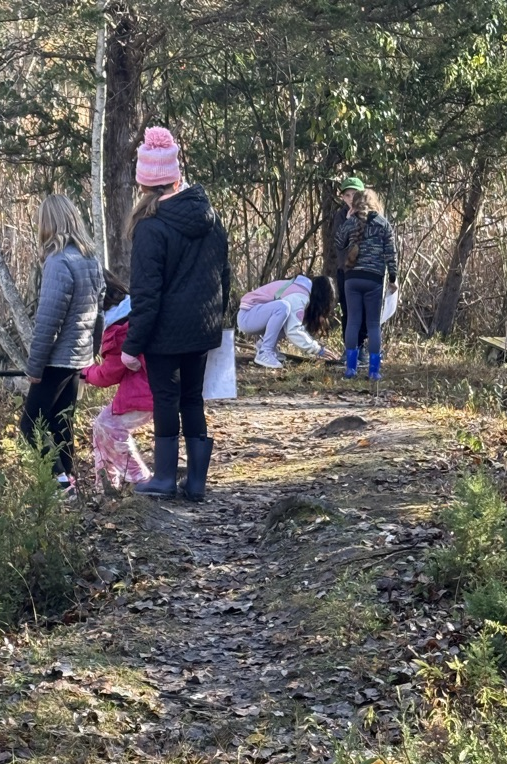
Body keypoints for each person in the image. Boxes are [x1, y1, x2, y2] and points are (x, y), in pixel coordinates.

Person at [122, 126, 230, 501]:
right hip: (202, 327)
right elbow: (224, 276)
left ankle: (165, 478)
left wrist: (130, 345)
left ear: (144, 183)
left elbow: (146, 295)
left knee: (166, 399)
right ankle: (197, 482)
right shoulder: (211, 217)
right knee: (192, 398)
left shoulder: (150, 228)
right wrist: (215, 318)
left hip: (165, 334)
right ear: (175, 176)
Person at [21, 194, 104, 498]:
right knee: (61, 424)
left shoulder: (58, 262)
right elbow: (99, 313)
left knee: (30, 425)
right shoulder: (90, 260)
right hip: (78, 356)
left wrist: (34, 367)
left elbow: (48, 322)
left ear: (48, 224)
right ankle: (69, 482)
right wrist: (90, 354)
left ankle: (61, 486)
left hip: (57, 359)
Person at [81, 271, 153, 491]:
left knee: (108, 425)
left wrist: (85, 372)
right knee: (103, 425)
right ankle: (106, 483)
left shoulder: (119, 328)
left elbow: (109, 374)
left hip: (144, 390)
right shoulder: (132, 313)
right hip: (150, 386)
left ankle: (140, 479)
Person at [335, 186, 398, 381]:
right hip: (374, 279)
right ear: (375, 203)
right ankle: (373, 371)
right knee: (372, 324)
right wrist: (393, 278)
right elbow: (391, 253)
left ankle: (351, 369)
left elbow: (338, 243)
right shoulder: (383, 223)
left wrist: (347, 224)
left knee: (352, 321)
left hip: (352, 278)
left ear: (355, 205)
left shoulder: (351, 222)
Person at [236, 275, 339, 369]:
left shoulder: (301, 290)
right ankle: (265, 352)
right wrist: (317, 349)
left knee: (288, 316)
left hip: (252, 316)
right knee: (283, 308)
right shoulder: (299, 296)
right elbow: (293, 330)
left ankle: (264, 345)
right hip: (247, 317)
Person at [334, 176, 368, 363]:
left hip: (366, 270)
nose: (351, 198)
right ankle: (349, 349)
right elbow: (339, 243)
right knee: (348, 310)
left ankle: (361, 346)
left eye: (354, 193)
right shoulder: (340, 216)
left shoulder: (372, 215)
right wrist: (348, 222)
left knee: (364, 309)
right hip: (346, 271)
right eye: (347, 195)